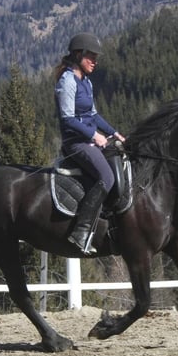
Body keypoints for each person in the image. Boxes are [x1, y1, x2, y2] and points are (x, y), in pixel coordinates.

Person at [54, 32, 126, 255]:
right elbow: (67, 118)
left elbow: (93, 115)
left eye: (96, 57)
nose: (95, 61)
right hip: (75, 143)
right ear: (78, 55)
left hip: (89, 140)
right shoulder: (67, 81)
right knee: (107, 177)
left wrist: (115, 132)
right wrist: (94, 136)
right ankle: (81, 232)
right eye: (90, 57)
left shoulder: (86, 82)